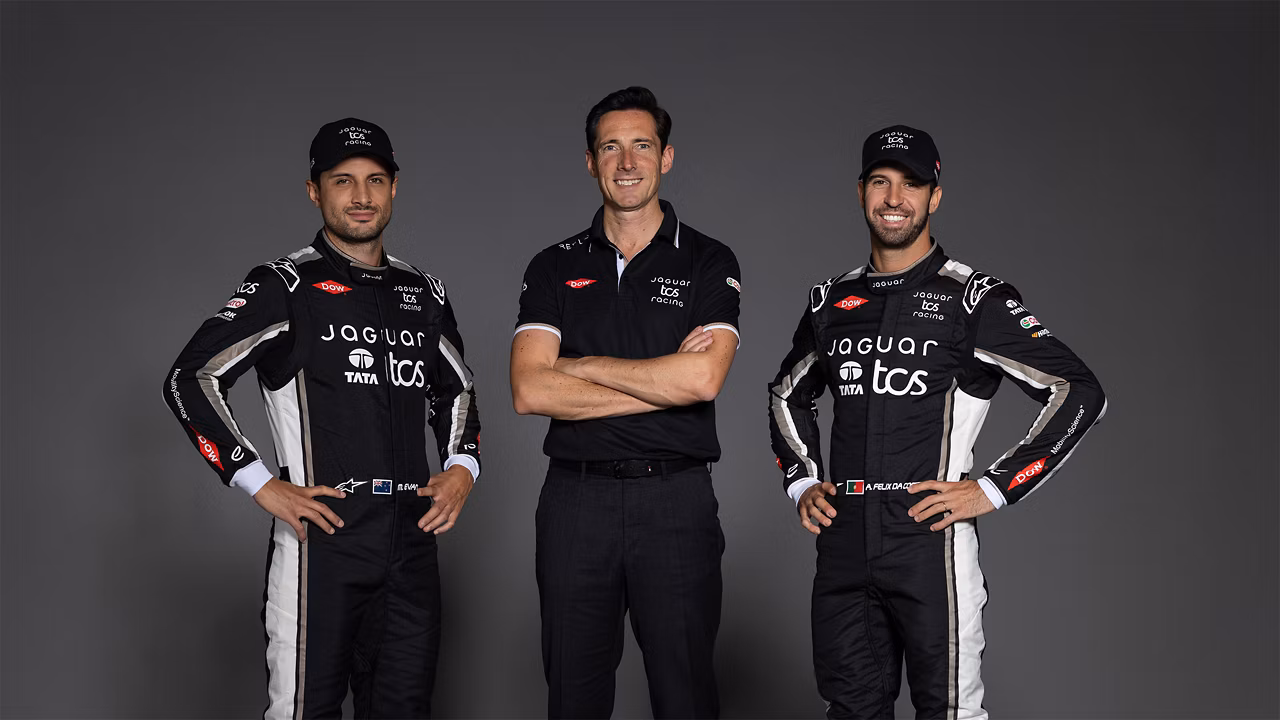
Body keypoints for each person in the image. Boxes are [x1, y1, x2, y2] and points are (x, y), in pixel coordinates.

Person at [767, 125, 1107, 718]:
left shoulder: (974, 297)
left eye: (912, 184)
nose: (894, 198)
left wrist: (994, 489)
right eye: (880, 182)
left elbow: (1079, 391)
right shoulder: (830, 302)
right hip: (844, 543)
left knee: (950, 712)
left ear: (935, 196)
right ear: (860, 192)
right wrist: (802, 479)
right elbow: (785, 394)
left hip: (930, 542)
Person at [162, 118, 481, 719]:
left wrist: (463, 466)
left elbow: (457, 389)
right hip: (322, 540)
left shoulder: (423, 292)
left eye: (375, 180)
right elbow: (190, 378)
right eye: (342, 181)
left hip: (412, 543)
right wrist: (259, 481)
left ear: (394, 188)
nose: (361, 196)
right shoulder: (285, 284)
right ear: (315, 190)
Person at [510, 86, 741, 719]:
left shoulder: (708, 259)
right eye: (610, 147)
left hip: (676, 499)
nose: (627, 162)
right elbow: (530, 390)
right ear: (591, 161)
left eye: (642, 145)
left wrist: (580, 365)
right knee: (574, 698)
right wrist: (661, 381)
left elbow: (702, 381)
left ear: (666, 157)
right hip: (575, 501)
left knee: (686, 697)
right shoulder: (552, 266)